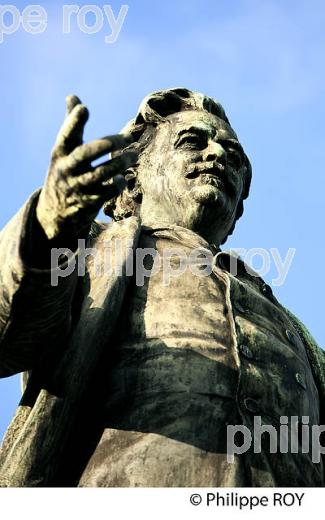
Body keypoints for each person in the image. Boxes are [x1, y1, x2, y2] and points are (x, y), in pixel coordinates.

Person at [0, 88, 324, 487]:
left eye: (234, 156)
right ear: (132, 179)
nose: (219, 156)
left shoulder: (287, 324)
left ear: (239, 206)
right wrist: (50, 220)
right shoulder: (89, 249)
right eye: (193, 142)